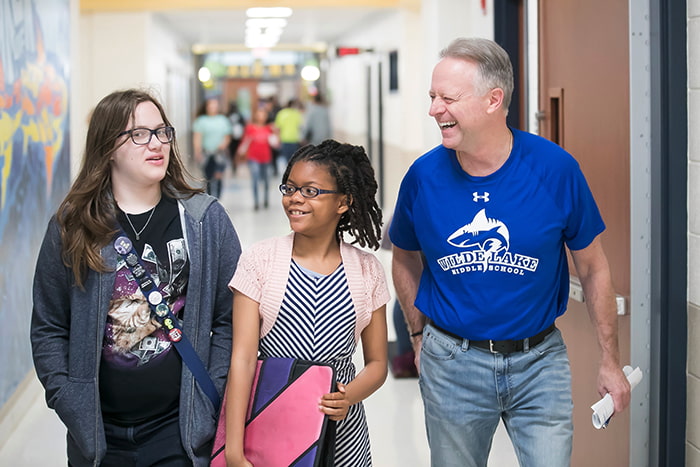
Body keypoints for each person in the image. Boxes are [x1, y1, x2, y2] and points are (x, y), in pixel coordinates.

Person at [389, 37, 631, 466]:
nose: (434, 110)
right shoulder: (422, 177)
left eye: (447, 98)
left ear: (493, 100)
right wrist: (416, 336)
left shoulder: (555, 170)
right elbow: (404, 256)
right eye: (432, 97)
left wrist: (610, 360)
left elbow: (593, 267)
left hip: (540, 364)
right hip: (452, 364)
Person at [31, 89, 241, 466]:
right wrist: (68, 397)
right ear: (108, 147)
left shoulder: (204, 219)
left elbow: (230, 318)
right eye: (139, 134)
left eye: (162, 132)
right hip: (98, 435)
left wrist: (214, 390)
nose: (157, 143)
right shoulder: (74, 226)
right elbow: (48, 324)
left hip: (179, 432)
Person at [225, 140, 389, 467]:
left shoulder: (366, 269)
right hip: (270, 426)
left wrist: (349, 397)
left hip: (342, 435)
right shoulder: (260, 261)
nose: (295, 198)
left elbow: (377, 365)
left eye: (311, 191)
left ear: (344, 202)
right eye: (290, 188)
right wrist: (233, 448)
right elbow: (242, 360)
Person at [193, 97, 232, 198]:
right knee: (208, 177)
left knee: (218, 175)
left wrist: (223, 145)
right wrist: (197, 151)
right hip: (207, 153)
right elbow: (197, 137)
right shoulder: (201, 121)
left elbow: (227, 136)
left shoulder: (223, 120)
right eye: (210, 105)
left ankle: (218, 197)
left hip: (219, 152)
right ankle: (210, 197)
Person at [237, 107, 275, 210]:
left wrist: (276, 133)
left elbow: (275, 144)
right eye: (259, 114)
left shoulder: (269, 128)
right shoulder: (250, 128)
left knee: (267, 180)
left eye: (263, 114)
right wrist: (241, 152)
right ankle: (256, 202)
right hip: (253, 158)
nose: (261, 116)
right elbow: (245, 142)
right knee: (255, 179)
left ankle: (266, 199)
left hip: (266, 158)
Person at [274, 98, 304, 173]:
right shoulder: (296, 114)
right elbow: (300, 127)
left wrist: (278, 139)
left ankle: (287, 174)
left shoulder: (281, 113)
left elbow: (277, 128)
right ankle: (292, 173)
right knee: (293, 160)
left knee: (285, 159)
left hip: (284, 139)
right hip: (294, 139)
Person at [227, 101, 246, 175]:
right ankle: (233, 165)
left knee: (236, 151)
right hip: (230, 136)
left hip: (238, 137)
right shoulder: (228, 114)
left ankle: (235, 164)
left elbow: (243, 124)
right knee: (232, 152)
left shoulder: (239, 115)